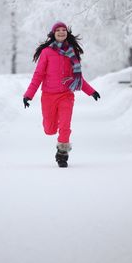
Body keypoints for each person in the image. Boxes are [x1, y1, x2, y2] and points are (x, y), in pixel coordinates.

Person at [23, 22, 100, 168]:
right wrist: (28, 95)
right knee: (49, 129)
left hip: (66, 95)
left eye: (64, 30)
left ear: (67, 33)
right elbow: (38, 75)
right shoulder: (46, 52)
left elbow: (78, 77)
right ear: (53, 33)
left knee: (65, 126)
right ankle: (53, 128)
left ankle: (62, 154)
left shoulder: (73, 52)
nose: (61, 32)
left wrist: (91, 91)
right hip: (48, 96)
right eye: (58, 30)